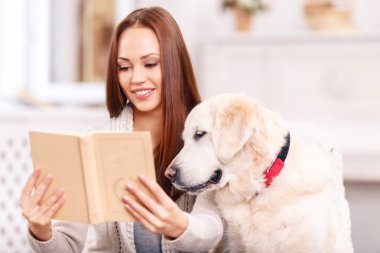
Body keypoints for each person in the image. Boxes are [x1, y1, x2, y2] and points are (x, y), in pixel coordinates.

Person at [19, 6, 223, 253]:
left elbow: (212, 228)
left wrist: (178, 225)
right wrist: (41, 231)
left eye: (150, 64)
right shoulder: (96, 144)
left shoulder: (208, 138)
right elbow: (67, 245)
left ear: (174, 64)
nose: (136, 78)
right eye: (124, 67)